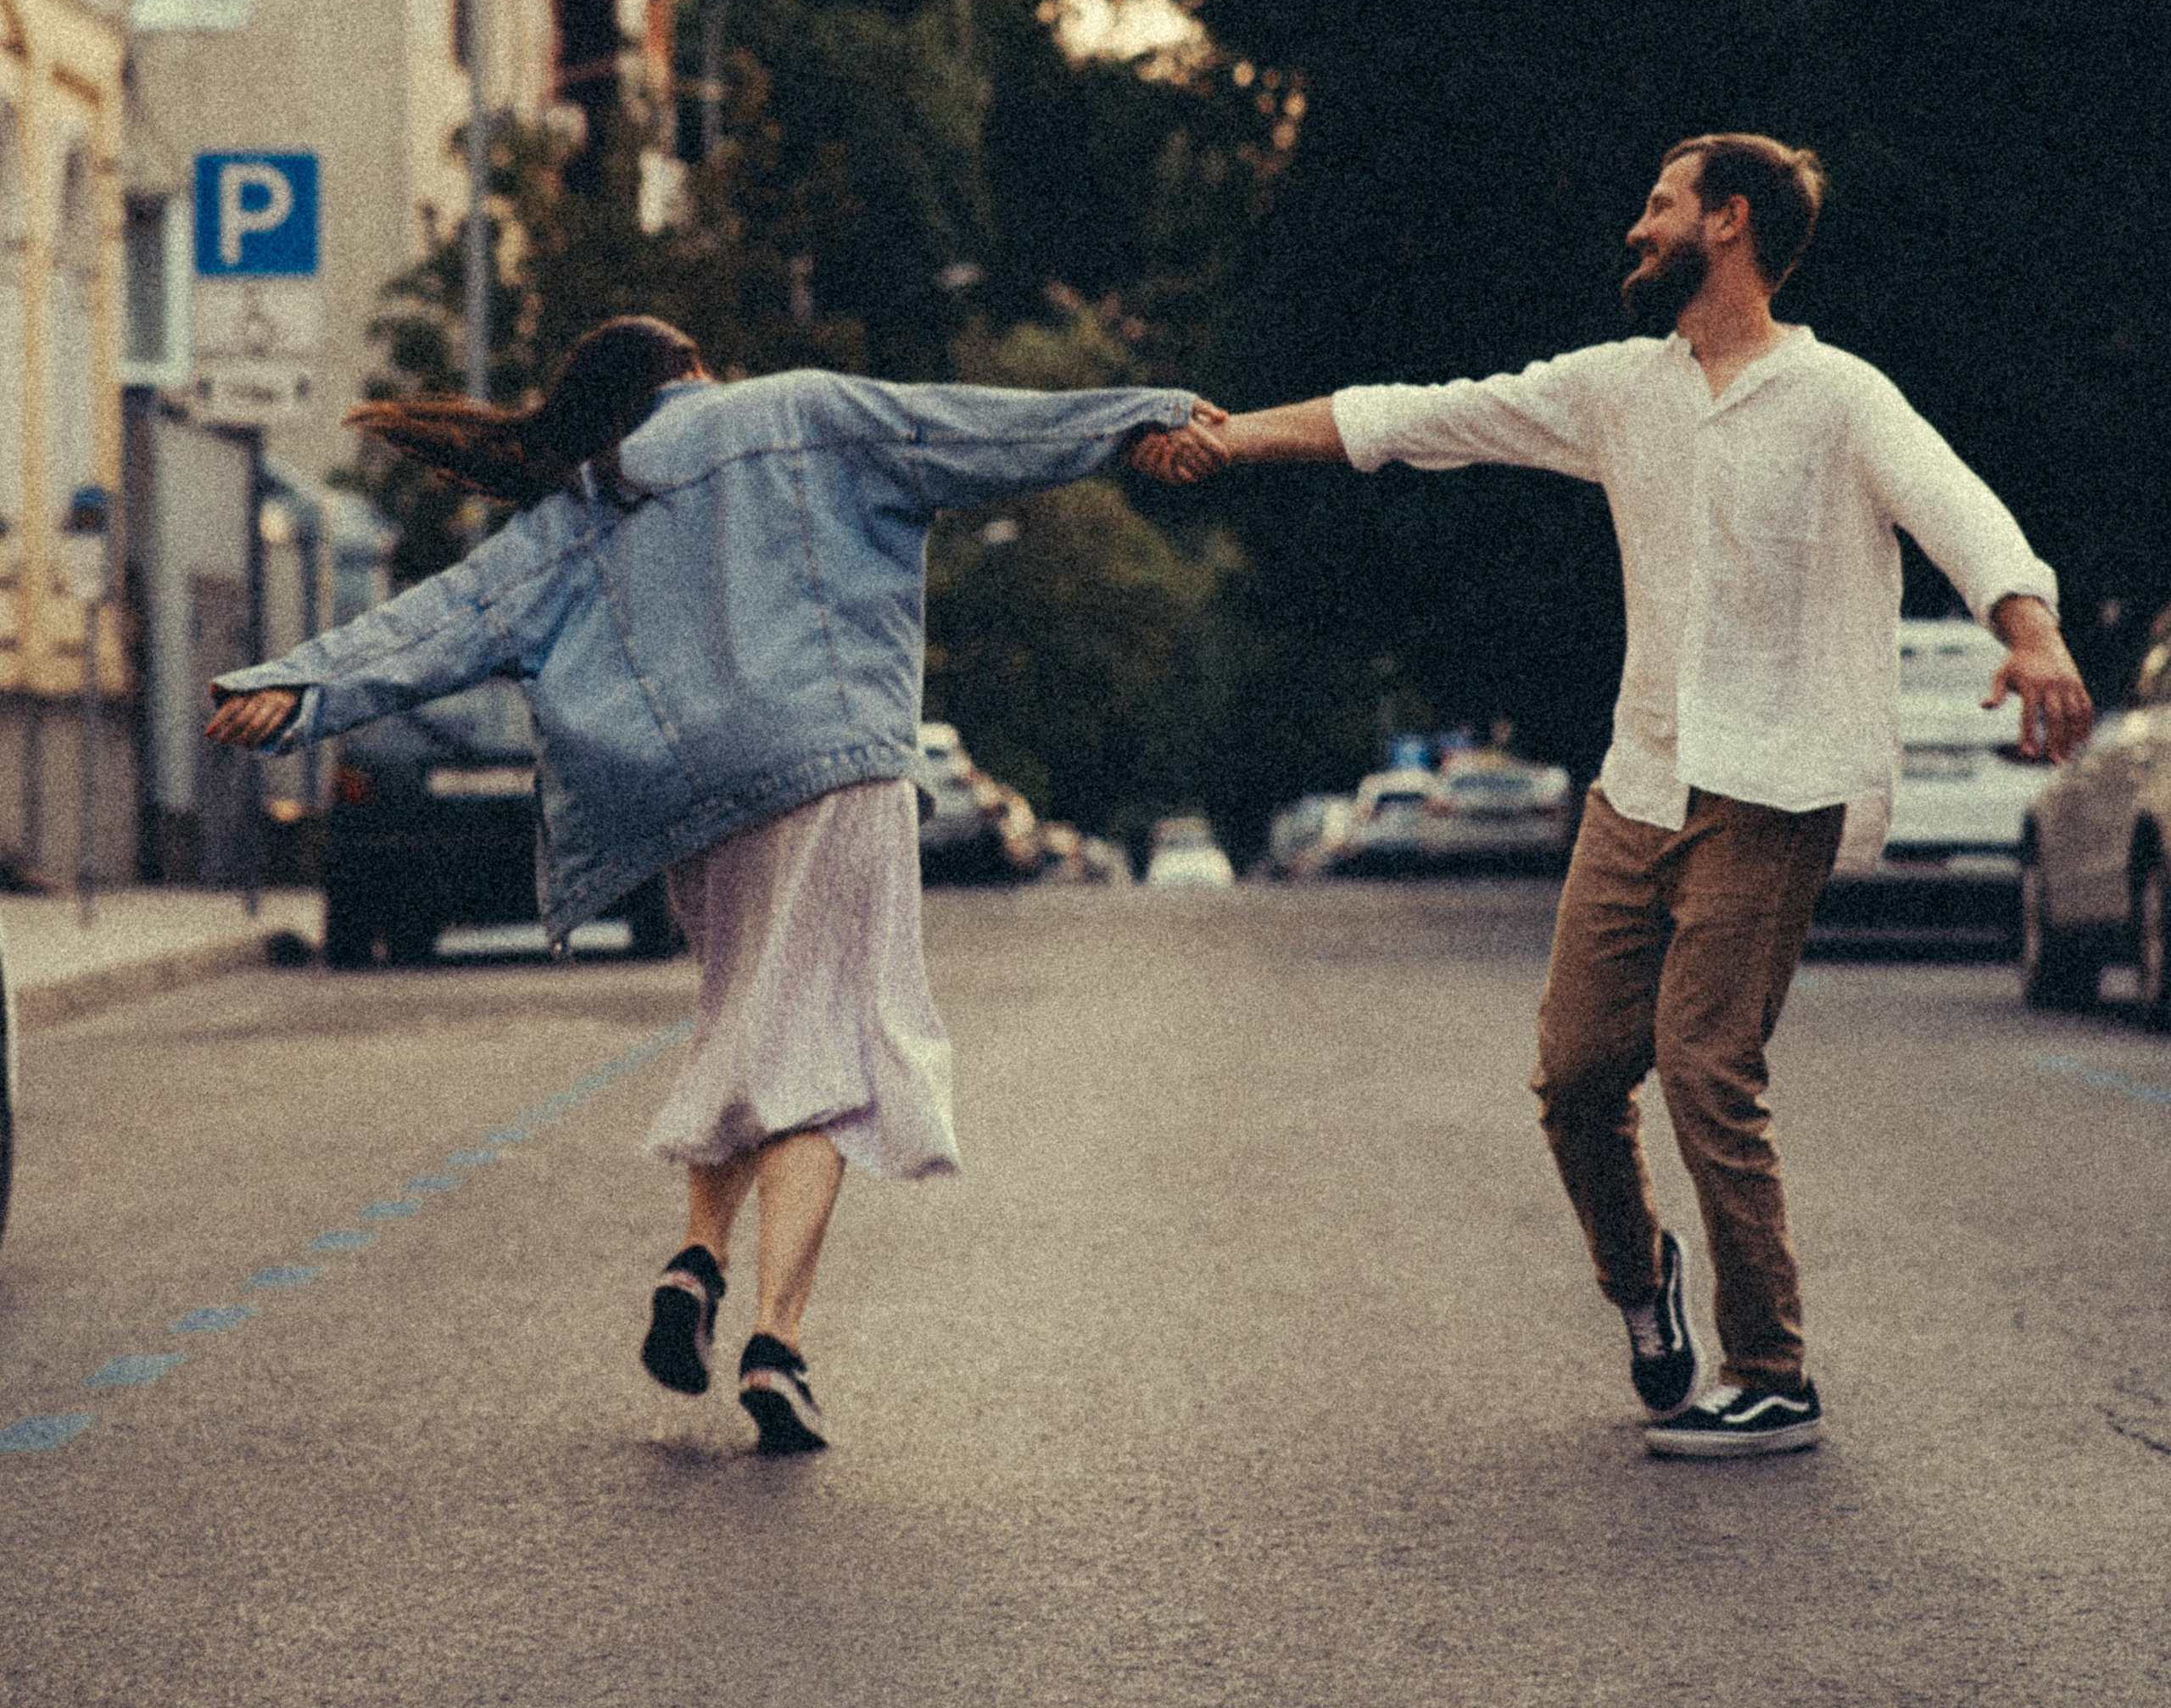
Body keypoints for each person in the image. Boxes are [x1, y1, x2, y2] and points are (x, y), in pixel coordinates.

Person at [1136, 135, 2093, 1456]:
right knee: (1577, 1076)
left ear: (1731, 222)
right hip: (1641, 782)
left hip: (1776, 783)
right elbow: (1417, 415)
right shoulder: (1618, 391)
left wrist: (2028, 627)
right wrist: (1232, 441)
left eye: (1659, 207)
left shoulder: (1840, 397)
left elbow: (1959, 510)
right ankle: (1645, 1294)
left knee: (1707, 1062)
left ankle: (1773, 1371)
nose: (1634, 231)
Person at [208, 318, 1205, 1455]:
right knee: (829, 1059)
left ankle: (697, 1261)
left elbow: (448, 618)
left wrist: (292, 688)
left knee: (750, 1025)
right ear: (691, 370)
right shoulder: (806, 413)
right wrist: (1139, 413)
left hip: (698, 802)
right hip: (837, 771)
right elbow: (973, 427)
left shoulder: (590, 498)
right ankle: (777, 1344)